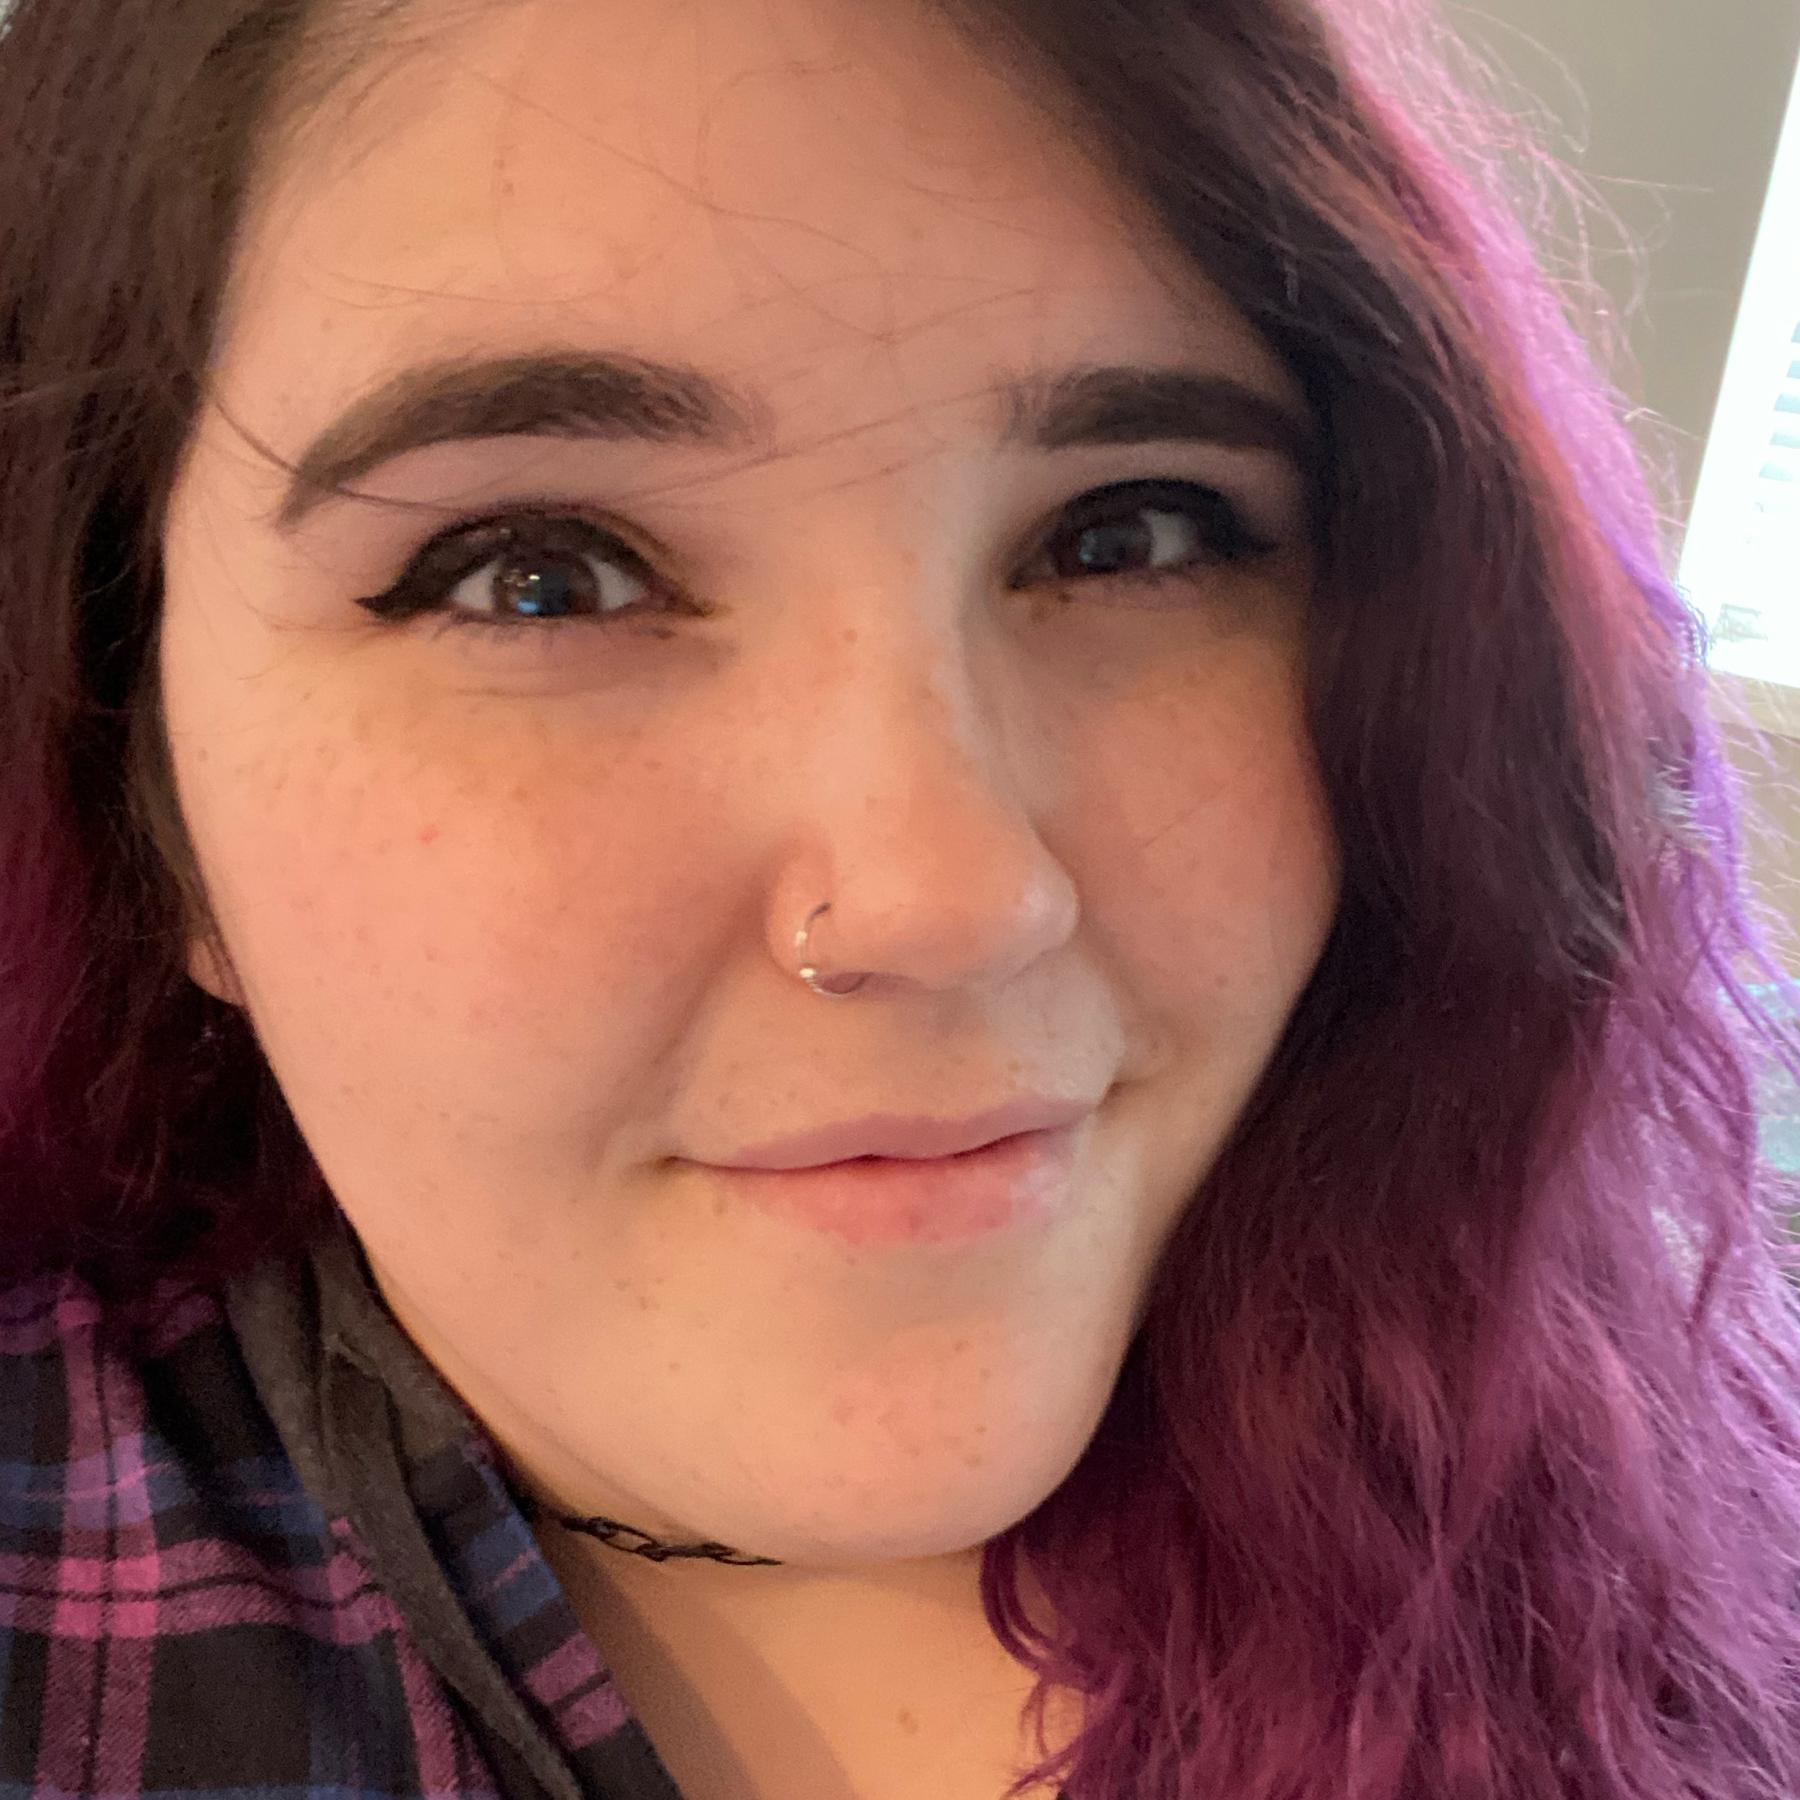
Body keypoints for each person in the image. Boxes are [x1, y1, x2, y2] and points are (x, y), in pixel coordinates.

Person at [4, 0, 1800, 1794]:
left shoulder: (1687, 1469)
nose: (949, 898)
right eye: (535, 576)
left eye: (1132, 532)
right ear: (144, 788)